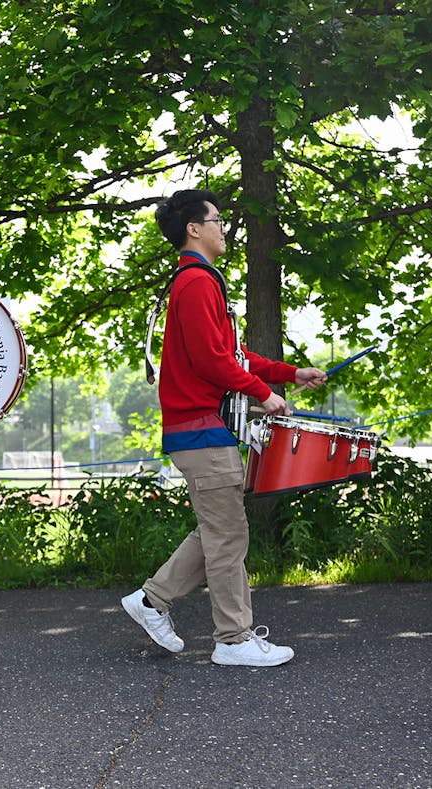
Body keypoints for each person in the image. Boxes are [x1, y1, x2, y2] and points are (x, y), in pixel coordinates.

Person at [120, 189, 327, 667]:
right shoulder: (195, 283)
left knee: (220, 527)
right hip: (198, 427)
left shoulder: (203, 282)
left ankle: (152, 600)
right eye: (215, 220)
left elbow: (232, 355)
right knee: (229, 534)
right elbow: (211, 360)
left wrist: (288, 373)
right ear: (194, 228)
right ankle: (232, 640)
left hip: (200, 425)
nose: (223, 228)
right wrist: (262, 394)